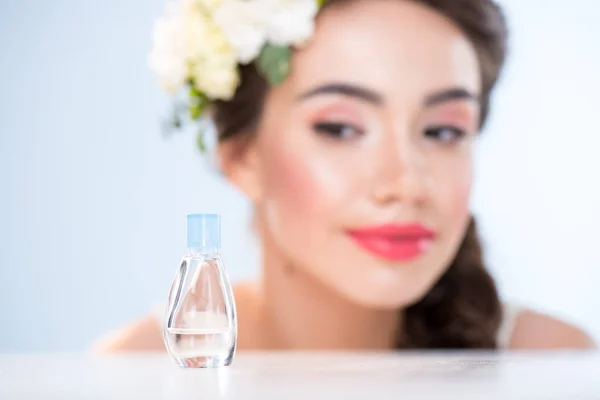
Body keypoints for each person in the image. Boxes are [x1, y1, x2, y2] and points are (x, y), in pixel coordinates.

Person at [93, 0, 595, 353]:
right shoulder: (136, 374)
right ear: (243, 158)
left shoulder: (555, 363)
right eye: (340, 128)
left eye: (443, 131)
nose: (408, 183)